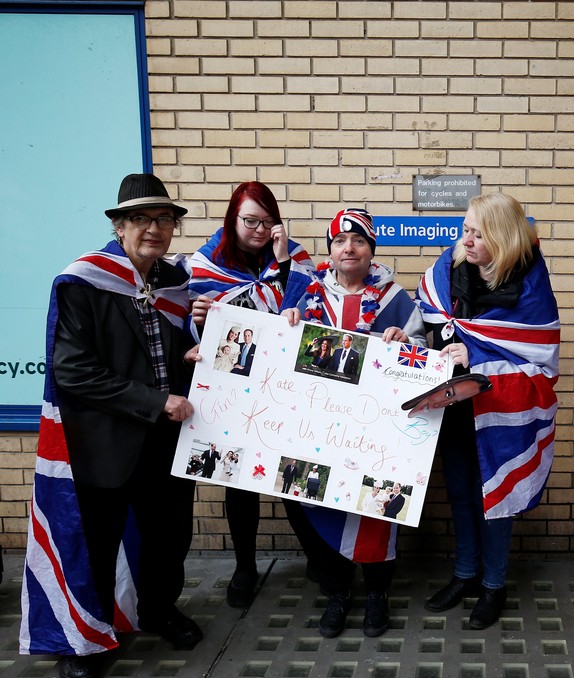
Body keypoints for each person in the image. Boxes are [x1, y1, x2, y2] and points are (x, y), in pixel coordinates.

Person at [21, 173, 203, 678]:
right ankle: (90, 638)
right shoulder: (83, 281)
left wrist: (188, 357)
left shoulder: (174, 284)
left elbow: (159, 357)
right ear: (119, 226)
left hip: (167, 441)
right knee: (98, 544)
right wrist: (156, 401)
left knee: (168, 537)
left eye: (164, 219)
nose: (154, 229)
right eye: (141, 219)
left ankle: (159, 609)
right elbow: (73, 370)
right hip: (105, 441)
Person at [416, 193, 560, 630]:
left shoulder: (530, 283)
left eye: (478, 234)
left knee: (495, 497)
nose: (467, 241)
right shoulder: (448, 268)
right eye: (466, 230)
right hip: (454, 407)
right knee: (460, 492)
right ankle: (465, 574)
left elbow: (540, 361)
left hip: (501, 413)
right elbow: (427, 321)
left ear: (502, 238)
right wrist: (408, 338)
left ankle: (494, 585)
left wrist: (476, 357)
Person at [281, 207, 426, 639]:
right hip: (319, 431)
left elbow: (424, 354)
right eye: (341, 241)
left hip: (375, 435)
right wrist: (287, 325)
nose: (349, 248)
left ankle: (378, 592)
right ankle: (337, 591)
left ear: (371, 250)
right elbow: (281, 353)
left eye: (359, 241)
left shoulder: (395, 299)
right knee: (316, 501)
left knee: (378, 507)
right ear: (330, 250)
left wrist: (407, 341)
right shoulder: (308, 295)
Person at [188, 181, 320, 610]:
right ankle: (244, 566)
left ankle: (318, 558)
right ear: (233, 219)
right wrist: (198, 323)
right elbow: (190, 333)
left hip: (284, 387)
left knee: (291, 475)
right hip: (233, 390)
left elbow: (310, 312)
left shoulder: (294, 257)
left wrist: (283, 263)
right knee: (237, 478)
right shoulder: (207, 263)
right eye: (250, 221)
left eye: (268, 222)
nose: (260, 230)